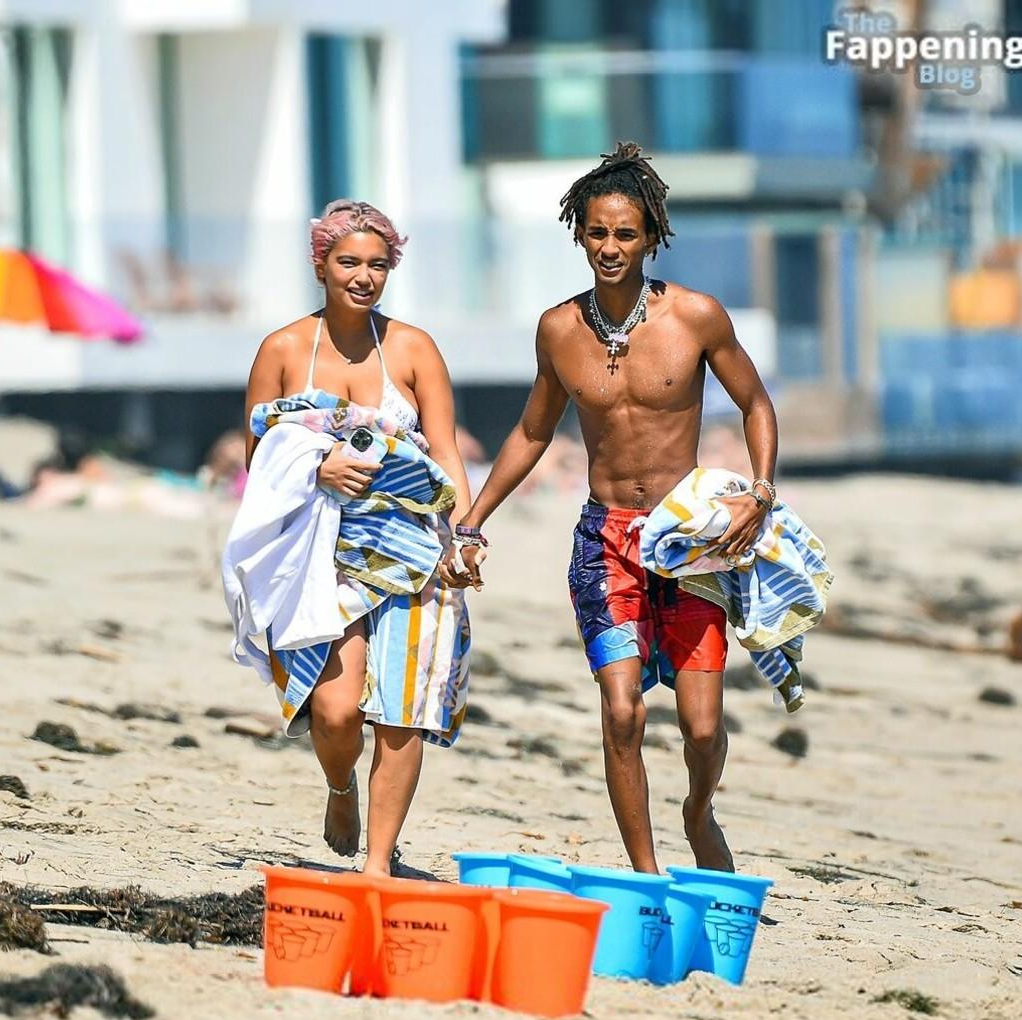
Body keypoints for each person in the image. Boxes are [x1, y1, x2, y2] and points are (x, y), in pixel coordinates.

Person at [446, 144, 779, 874]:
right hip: (605, 541)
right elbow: (533, 431)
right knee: (622, 711)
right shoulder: (559, 329)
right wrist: (472, 519)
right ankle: (646, 875)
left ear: (650, 237)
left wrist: (760, 492)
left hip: (688, 542)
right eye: (597, 231)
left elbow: (756, 403)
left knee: (701, 727)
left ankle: (698, 809)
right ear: (579, 233)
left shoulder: (696, 316)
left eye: (625, 233)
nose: (610, 247)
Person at [242, 200, 472, 876]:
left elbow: (446, 452)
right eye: (348, 262)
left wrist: (465, 534)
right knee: (338, 711)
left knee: (402, 709)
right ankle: (341, 787)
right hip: (318, 550)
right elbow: (257, 460)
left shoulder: (413, 348)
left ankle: (377, 864)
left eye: (377, 264)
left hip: (414, 545)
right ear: (321, 264)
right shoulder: (284, 349)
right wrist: (317, 467)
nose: (363, 276)